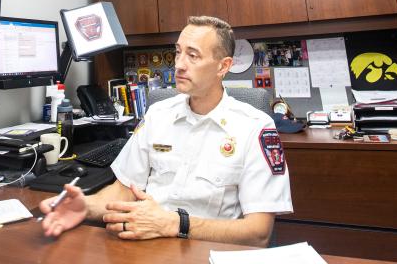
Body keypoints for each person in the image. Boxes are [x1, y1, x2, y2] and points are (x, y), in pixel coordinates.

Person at [39, 16, 292, 247]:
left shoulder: (255, 127)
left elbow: (258, 232)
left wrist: (175, 224)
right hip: (147, 246)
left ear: (222, 67)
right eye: (178, 52)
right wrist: (86, 206)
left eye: (193, 56)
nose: (179, 65)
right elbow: (123, 190)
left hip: (210, 252)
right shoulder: (158, 115)